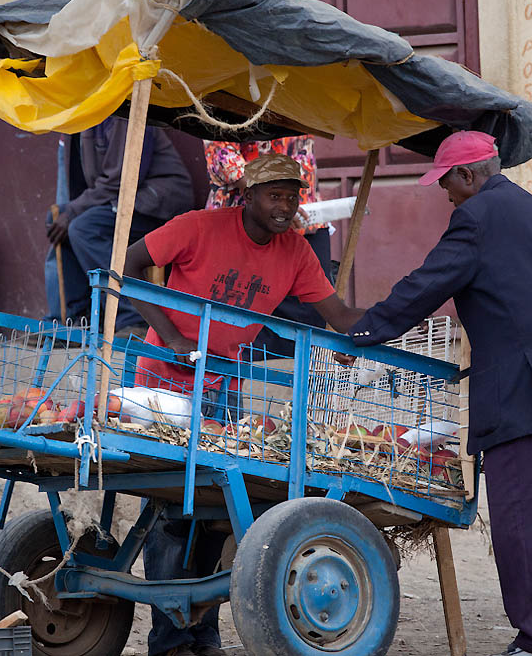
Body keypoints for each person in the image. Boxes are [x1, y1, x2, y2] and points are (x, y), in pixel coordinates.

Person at [345, 131, 532, 656]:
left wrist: (360, 335)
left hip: (530, 390)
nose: (446, 196)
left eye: (447, 185)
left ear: (468, 175)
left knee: (524, 522)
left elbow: (426, 285)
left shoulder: (476, 219)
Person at [124, 154, 361, 656]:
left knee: (215, 510)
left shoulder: (295, 251)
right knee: (171, 508)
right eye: (275, 196)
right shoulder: (198, 226)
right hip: (163, 382)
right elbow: (128, 262)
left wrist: (396, 318)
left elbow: (337, 314)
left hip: (223, 386)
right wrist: (169, 336)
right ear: (248, 196)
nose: (286, 207)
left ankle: (202, 635)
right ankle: (169, 641)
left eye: (293, 196)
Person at [44, 117, 193, 331]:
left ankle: (132, 317)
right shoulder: (86, 120)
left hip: (157, 200)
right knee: (61, 221)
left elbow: (122, 179)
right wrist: (72, 211)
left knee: (83, 228)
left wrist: (76, 210)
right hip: (123, 198)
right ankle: (74, 318)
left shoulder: (124, 114)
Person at [204, 137, 331, 357]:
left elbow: (302, 149)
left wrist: (287, 200)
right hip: (242, 216)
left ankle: (296, 383)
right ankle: (238, 381)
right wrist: (271, 199)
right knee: (242, 307)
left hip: (302, 216)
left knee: (309, 312)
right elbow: (222, 154)